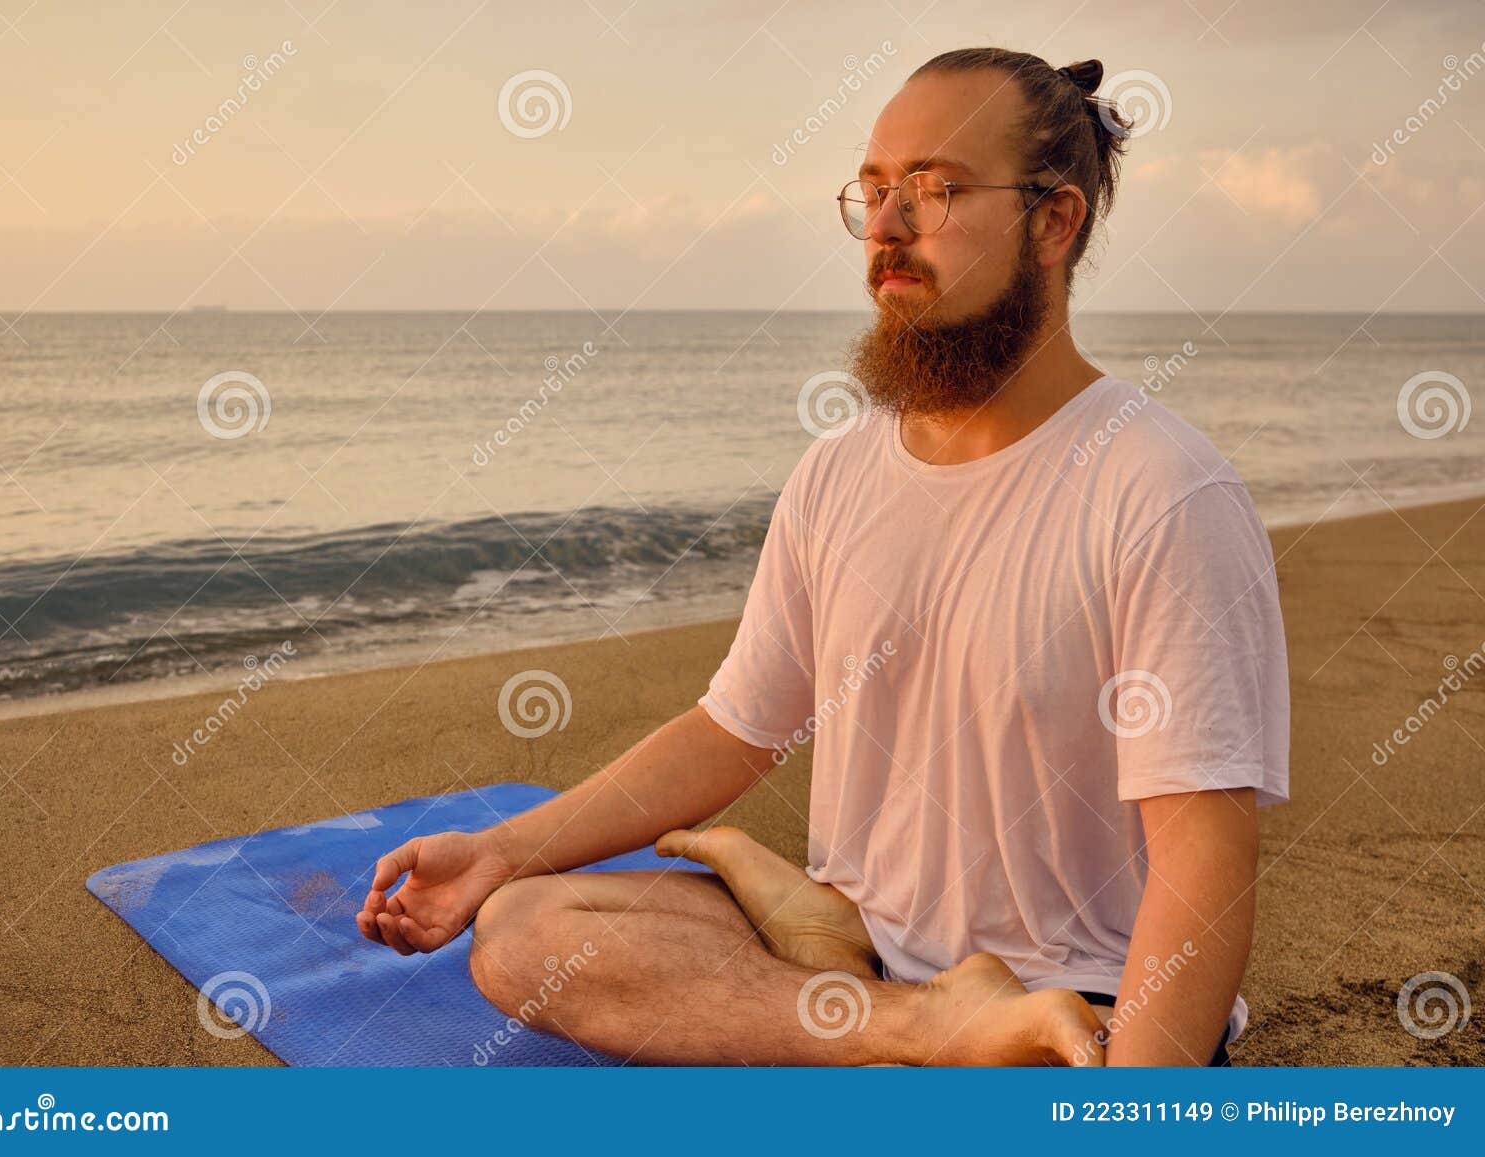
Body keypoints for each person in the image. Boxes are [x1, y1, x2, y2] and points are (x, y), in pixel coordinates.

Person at [356, 47, 1288, 1067]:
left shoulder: (1157, 488)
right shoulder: (836, 474)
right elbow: (733, 729)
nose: (886, 228)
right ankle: (923, 1023)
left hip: (1066, 1003)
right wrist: (497, 851)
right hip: (855, 963)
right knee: (524, 930)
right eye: (874, 191)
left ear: (1053, 222)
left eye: (932, 190)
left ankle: (936, 1017)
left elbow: (1204, 858)